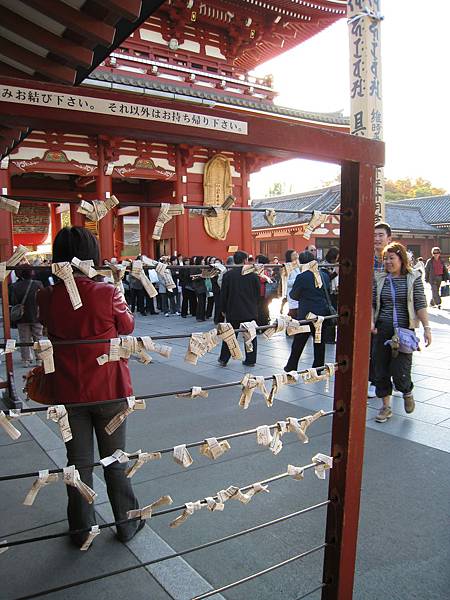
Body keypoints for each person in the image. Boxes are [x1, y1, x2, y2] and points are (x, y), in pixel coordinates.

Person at [37, 227, 143, 547]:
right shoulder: (107, 292)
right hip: (110, 390)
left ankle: (81, 529)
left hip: (68, 392)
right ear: (92, 257)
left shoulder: (46, 297)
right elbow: (127, 325)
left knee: (78, 463)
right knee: (114, 459)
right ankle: (126, 523)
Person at [371, 242, 431, 423]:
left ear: (401, 259)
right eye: (385, 259)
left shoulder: (413, 277)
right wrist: (371, 322)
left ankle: (406, 391)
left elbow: (420, 303)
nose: (388, 262)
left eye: (392, 258)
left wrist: (427, 328)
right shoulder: (380, 278)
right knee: (380, 369)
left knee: (400, 371)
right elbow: (372, 303)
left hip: (405, 330)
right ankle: (385, 406)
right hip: (382, 329)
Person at [283, 251, 331, 372]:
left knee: (299, 342)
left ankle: (291, 366)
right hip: (322, 313)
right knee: (319, 341)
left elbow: (293, 295)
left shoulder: (302, 277)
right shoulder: (324, 275)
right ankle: (318, 366)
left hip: (306, 314)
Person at [218, 250, 260, 367]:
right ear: (245, 260)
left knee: (229, 335)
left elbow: (224, 294)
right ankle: (250, 360)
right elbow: (258, 294)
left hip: (233, 309)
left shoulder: (228, 275)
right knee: (250, 335)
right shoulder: (253, 275)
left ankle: (223, 359)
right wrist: (255, 306)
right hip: (249, 310)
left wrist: (223, 309)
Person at [368, 222, 393, 398]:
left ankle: (391, 381)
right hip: (369, 308)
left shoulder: (394, 258)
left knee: (391, 349)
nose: (377, 238)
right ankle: (374, 381)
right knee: (372, 348)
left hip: (390, 310)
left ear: (388, 238)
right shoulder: (366, 258)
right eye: (374, 235)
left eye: (380, 235)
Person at [10, 270, 43, 367]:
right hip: (36, 315)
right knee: (38, 338)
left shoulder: (15, 286)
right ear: (31, 273)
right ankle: (39, 359)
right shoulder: (38, 284)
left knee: (24, 339)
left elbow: (13, 301)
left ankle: (26, 360)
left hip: (22, 317)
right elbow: (42, 298)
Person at [323, 246, 339, 344]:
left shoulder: (337, 264)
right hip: (328, 293)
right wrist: (335, 273)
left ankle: (332, 337)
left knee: (335, 314)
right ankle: (329, 338)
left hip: (336, 292)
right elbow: (327, 278)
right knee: (330, 314)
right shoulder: (324, 266)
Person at [255, 254, 271, 326]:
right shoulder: (263, 270)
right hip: (260, 293)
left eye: (257, 261)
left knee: (262, 310)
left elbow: (263, 279)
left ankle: (262, 324)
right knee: (261, 309)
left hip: (262, 293)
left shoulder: (264, 270)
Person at [284, 249, 300, 319]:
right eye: (294, 255)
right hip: (291, 293)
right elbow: (285, 282)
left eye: (296, 254)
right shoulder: (287, 267)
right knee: (293, 312)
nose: (296, 256)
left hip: (298, 292)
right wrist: (298, 280)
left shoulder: (297, 266)